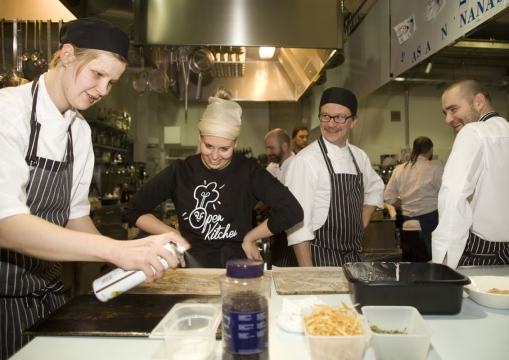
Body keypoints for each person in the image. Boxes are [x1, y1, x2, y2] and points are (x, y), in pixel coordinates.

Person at [0, 18, 190, 360]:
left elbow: (74, 216)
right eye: (97, 75)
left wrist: (126, 264)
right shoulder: (7, 112)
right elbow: (6, 223)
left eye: (112, 82)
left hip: (47, 296)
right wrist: (114, 251)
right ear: (68, 55)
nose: (103, 90)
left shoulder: (79, 132)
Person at [123, 86, 303, 268]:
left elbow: (292, 210)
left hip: (238, 270)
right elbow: (133, 210)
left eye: (225, 149)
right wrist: (173, 235)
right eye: (208, 146)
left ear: (235, 143)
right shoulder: (180, 171)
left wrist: (250, 237)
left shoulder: (248, 170)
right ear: (200, 137)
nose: (215, 156)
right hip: (193, 270)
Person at [433, 78, 509, 269]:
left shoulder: (473, 132)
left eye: (453, 109)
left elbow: (454, 196)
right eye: (445, 112)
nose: (448, 119)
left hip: (483, 253)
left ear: (479, 102)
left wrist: (443, 261)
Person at [284, 87, 385, 267]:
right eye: (325, 116)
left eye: (340, 117)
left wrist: (362, 221)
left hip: (354, 260)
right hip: (319, 260)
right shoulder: (305, 162)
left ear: (353, 121)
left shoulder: (359, 157)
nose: (331, 123)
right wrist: (308, 276)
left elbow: (376, 188)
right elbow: (297, 226)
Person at [384, 136, 444, 262]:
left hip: (407, 229)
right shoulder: (436, 168)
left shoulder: (399, 169)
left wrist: (405, 205)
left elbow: (388, 197)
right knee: (431, 269)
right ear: (431, 150)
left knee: (409, 270)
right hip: (429, 226)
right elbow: (449, 196)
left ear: (413, 150)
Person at [261, 128, 297, 266]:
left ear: (284, 146)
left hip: (292, 229)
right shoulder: (272, 166)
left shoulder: (297, 166)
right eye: (267, 148)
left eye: (271, 148)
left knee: (287, 269)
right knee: (275, 267)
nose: (268, 152)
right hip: (277, 228)